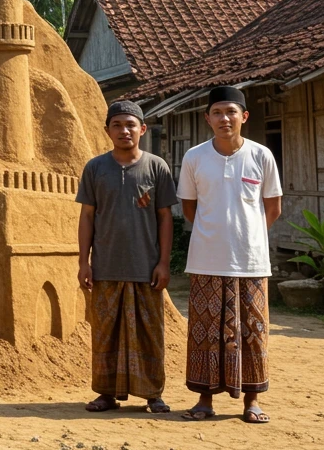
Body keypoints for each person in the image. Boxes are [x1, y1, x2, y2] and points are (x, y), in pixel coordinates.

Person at [178, 86, 282, 424]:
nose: (225, 118)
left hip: (251, 262)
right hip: (205, 259)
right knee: (205, 331)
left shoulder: (261, 155)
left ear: (244, 116)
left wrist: (247, 235)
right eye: (218, 113)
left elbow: (273, 207)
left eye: (231, 112)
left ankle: (252, 401)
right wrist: (216, 234)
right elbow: (190, 209)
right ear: (207, 118)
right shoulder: (194, 157)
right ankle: (204, 400)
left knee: (252, 331)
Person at [77, 100, 178, 413]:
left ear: (142, 129)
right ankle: (106, 394)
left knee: (150, 334)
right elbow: (87, 217)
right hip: (106, 265)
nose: (124, 130)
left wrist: (163, 262)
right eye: (117, 125)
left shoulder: (156, 167)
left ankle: (153, 394)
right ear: (107, 130)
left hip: (145, 267)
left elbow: (164, 218)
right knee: (106, 332)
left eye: (130, 124)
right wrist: (84, 261)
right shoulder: (95, 168)